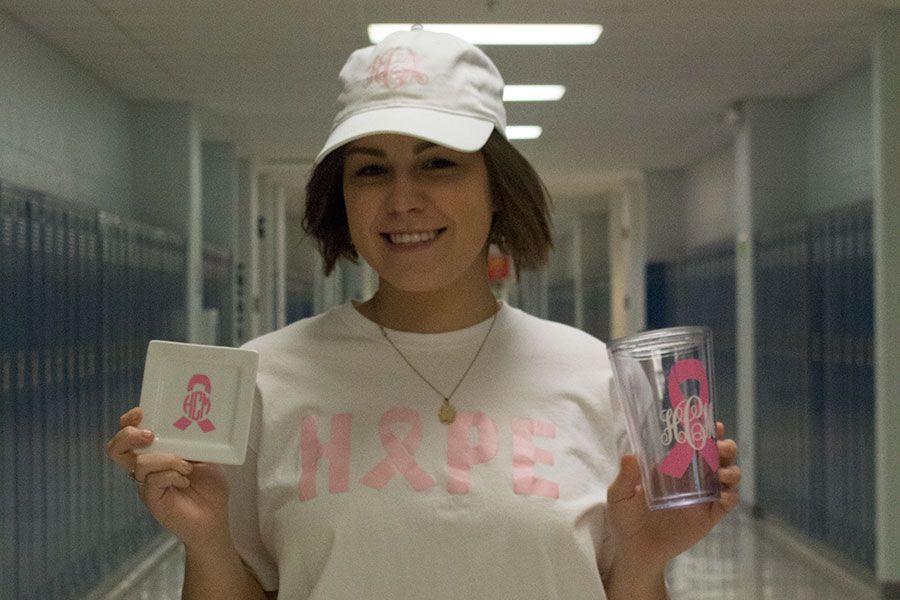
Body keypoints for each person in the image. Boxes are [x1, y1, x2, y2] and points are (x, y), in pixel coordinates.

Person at [106, 26, 740, 599]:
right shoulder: (264, 379)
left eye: (439, 163)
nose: (403, 199)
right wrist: (207, 543)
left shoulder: (596, 378)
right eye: (372, 170)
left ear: (496, 187)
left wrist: (645, 556)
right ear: (343, 198)